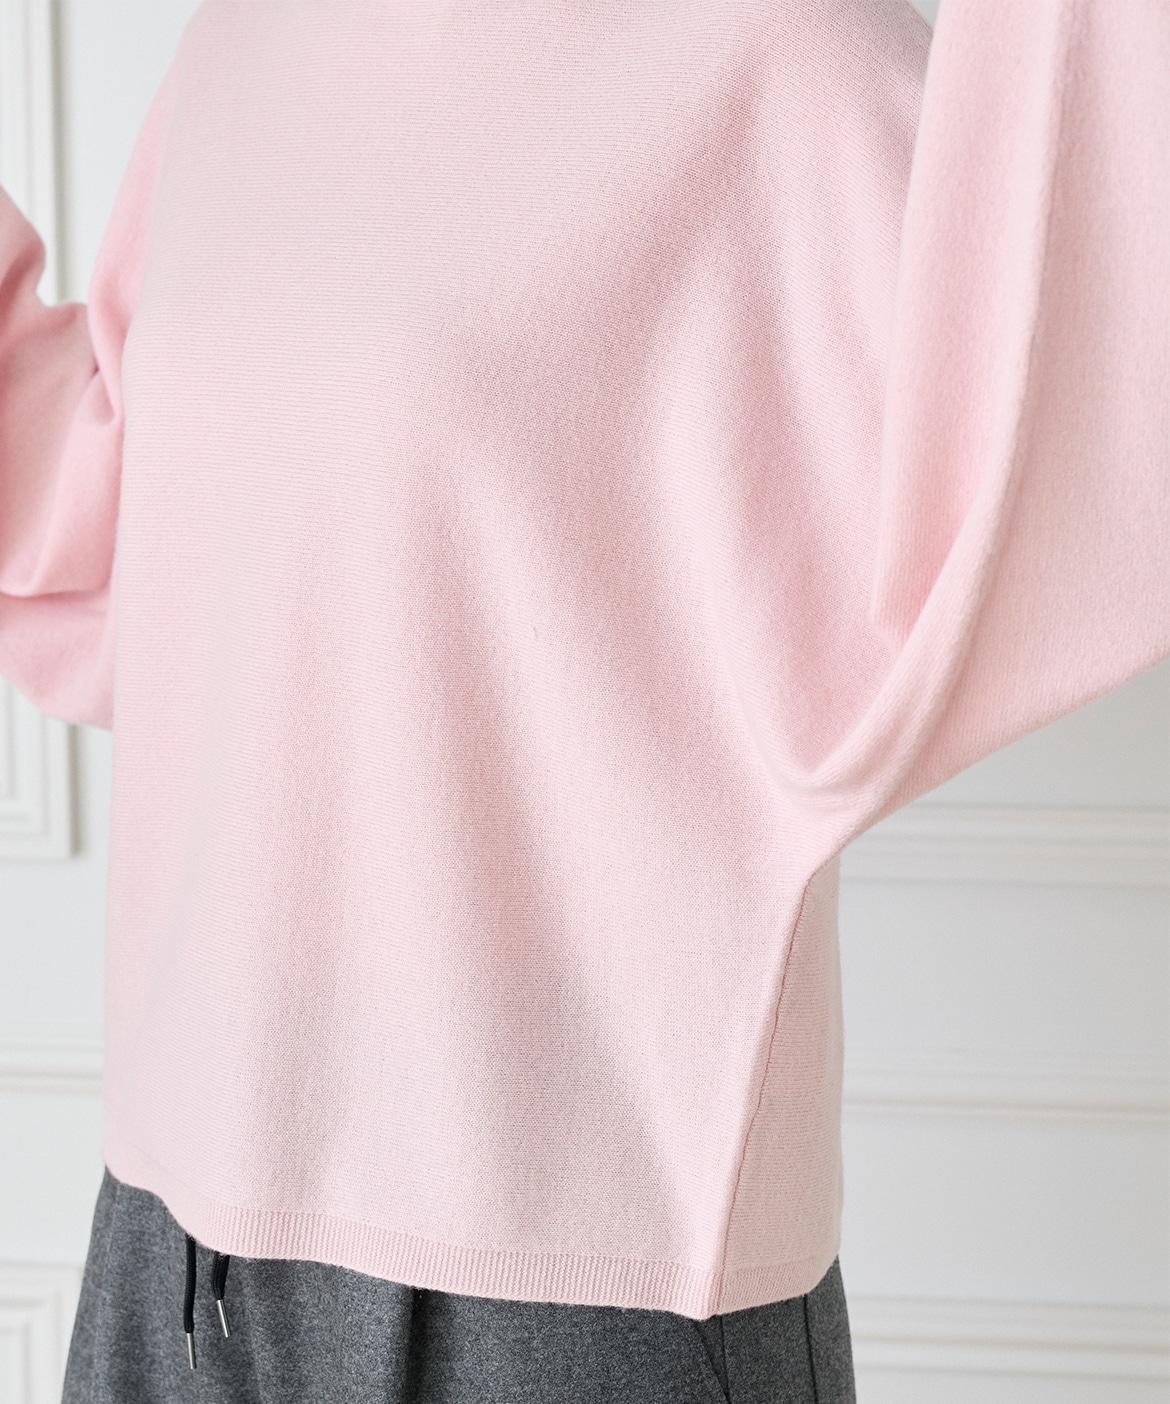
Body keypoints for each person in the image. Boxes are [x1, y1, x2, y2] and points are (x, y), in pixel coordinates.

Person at [0, 0, 1165, 1400]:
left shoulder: (785, 51)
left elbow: (1059, 429)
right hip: (176, 1241)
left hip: (572, 1261)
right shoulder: (245, 42)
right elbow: (124, 531)